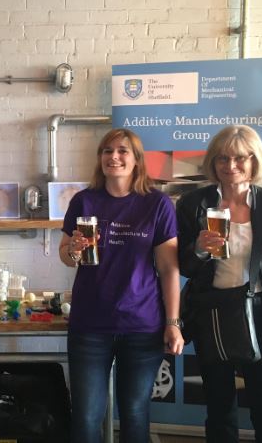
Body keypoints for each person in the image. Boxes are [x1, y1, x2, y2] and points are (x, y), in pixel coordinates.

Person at [176, 125, 262, 443]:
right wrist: (198, 248)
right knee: (220, 411)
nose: (230, 165)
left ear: (254, 160)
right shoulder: (192, 204)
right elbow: (183, 266)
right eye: (223, 158)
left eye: (239, 158)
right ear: (213, 162)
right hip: (213, 314)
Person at [58, 128, 184, 443]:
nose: (114, 157)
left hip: (142, 326)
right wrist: (72, 250)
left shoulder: (157, 204)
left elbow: (169, 268)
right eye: (107, 151)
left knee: (135, 413)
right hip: (90, 325)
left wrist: (172, 323)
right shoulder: (83, 201)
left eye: (123, 151)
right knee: (86, 417)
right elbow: (66, 255)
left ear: (137, 160)